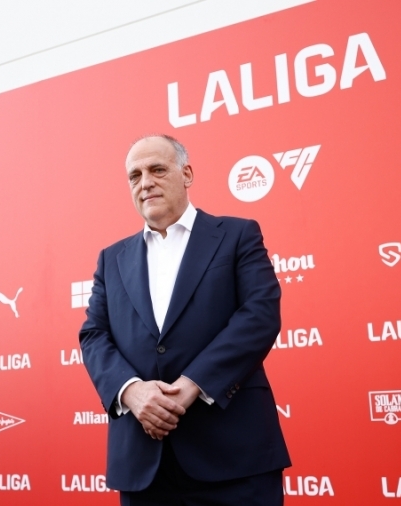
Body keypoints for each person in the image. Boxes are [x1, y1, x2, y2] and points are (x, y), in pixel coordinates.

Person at [79, 135, 290, 505]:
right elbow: (94, 335)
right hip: (143, 465)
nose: (145, 183)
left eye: (157, 169)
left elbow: (260, 314)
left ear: (187, 173)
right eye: (135, 175)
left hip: (234, 459)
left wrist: (194, 384)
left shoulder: (238, 235)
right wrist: (132, 391)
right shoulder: (110, 259)